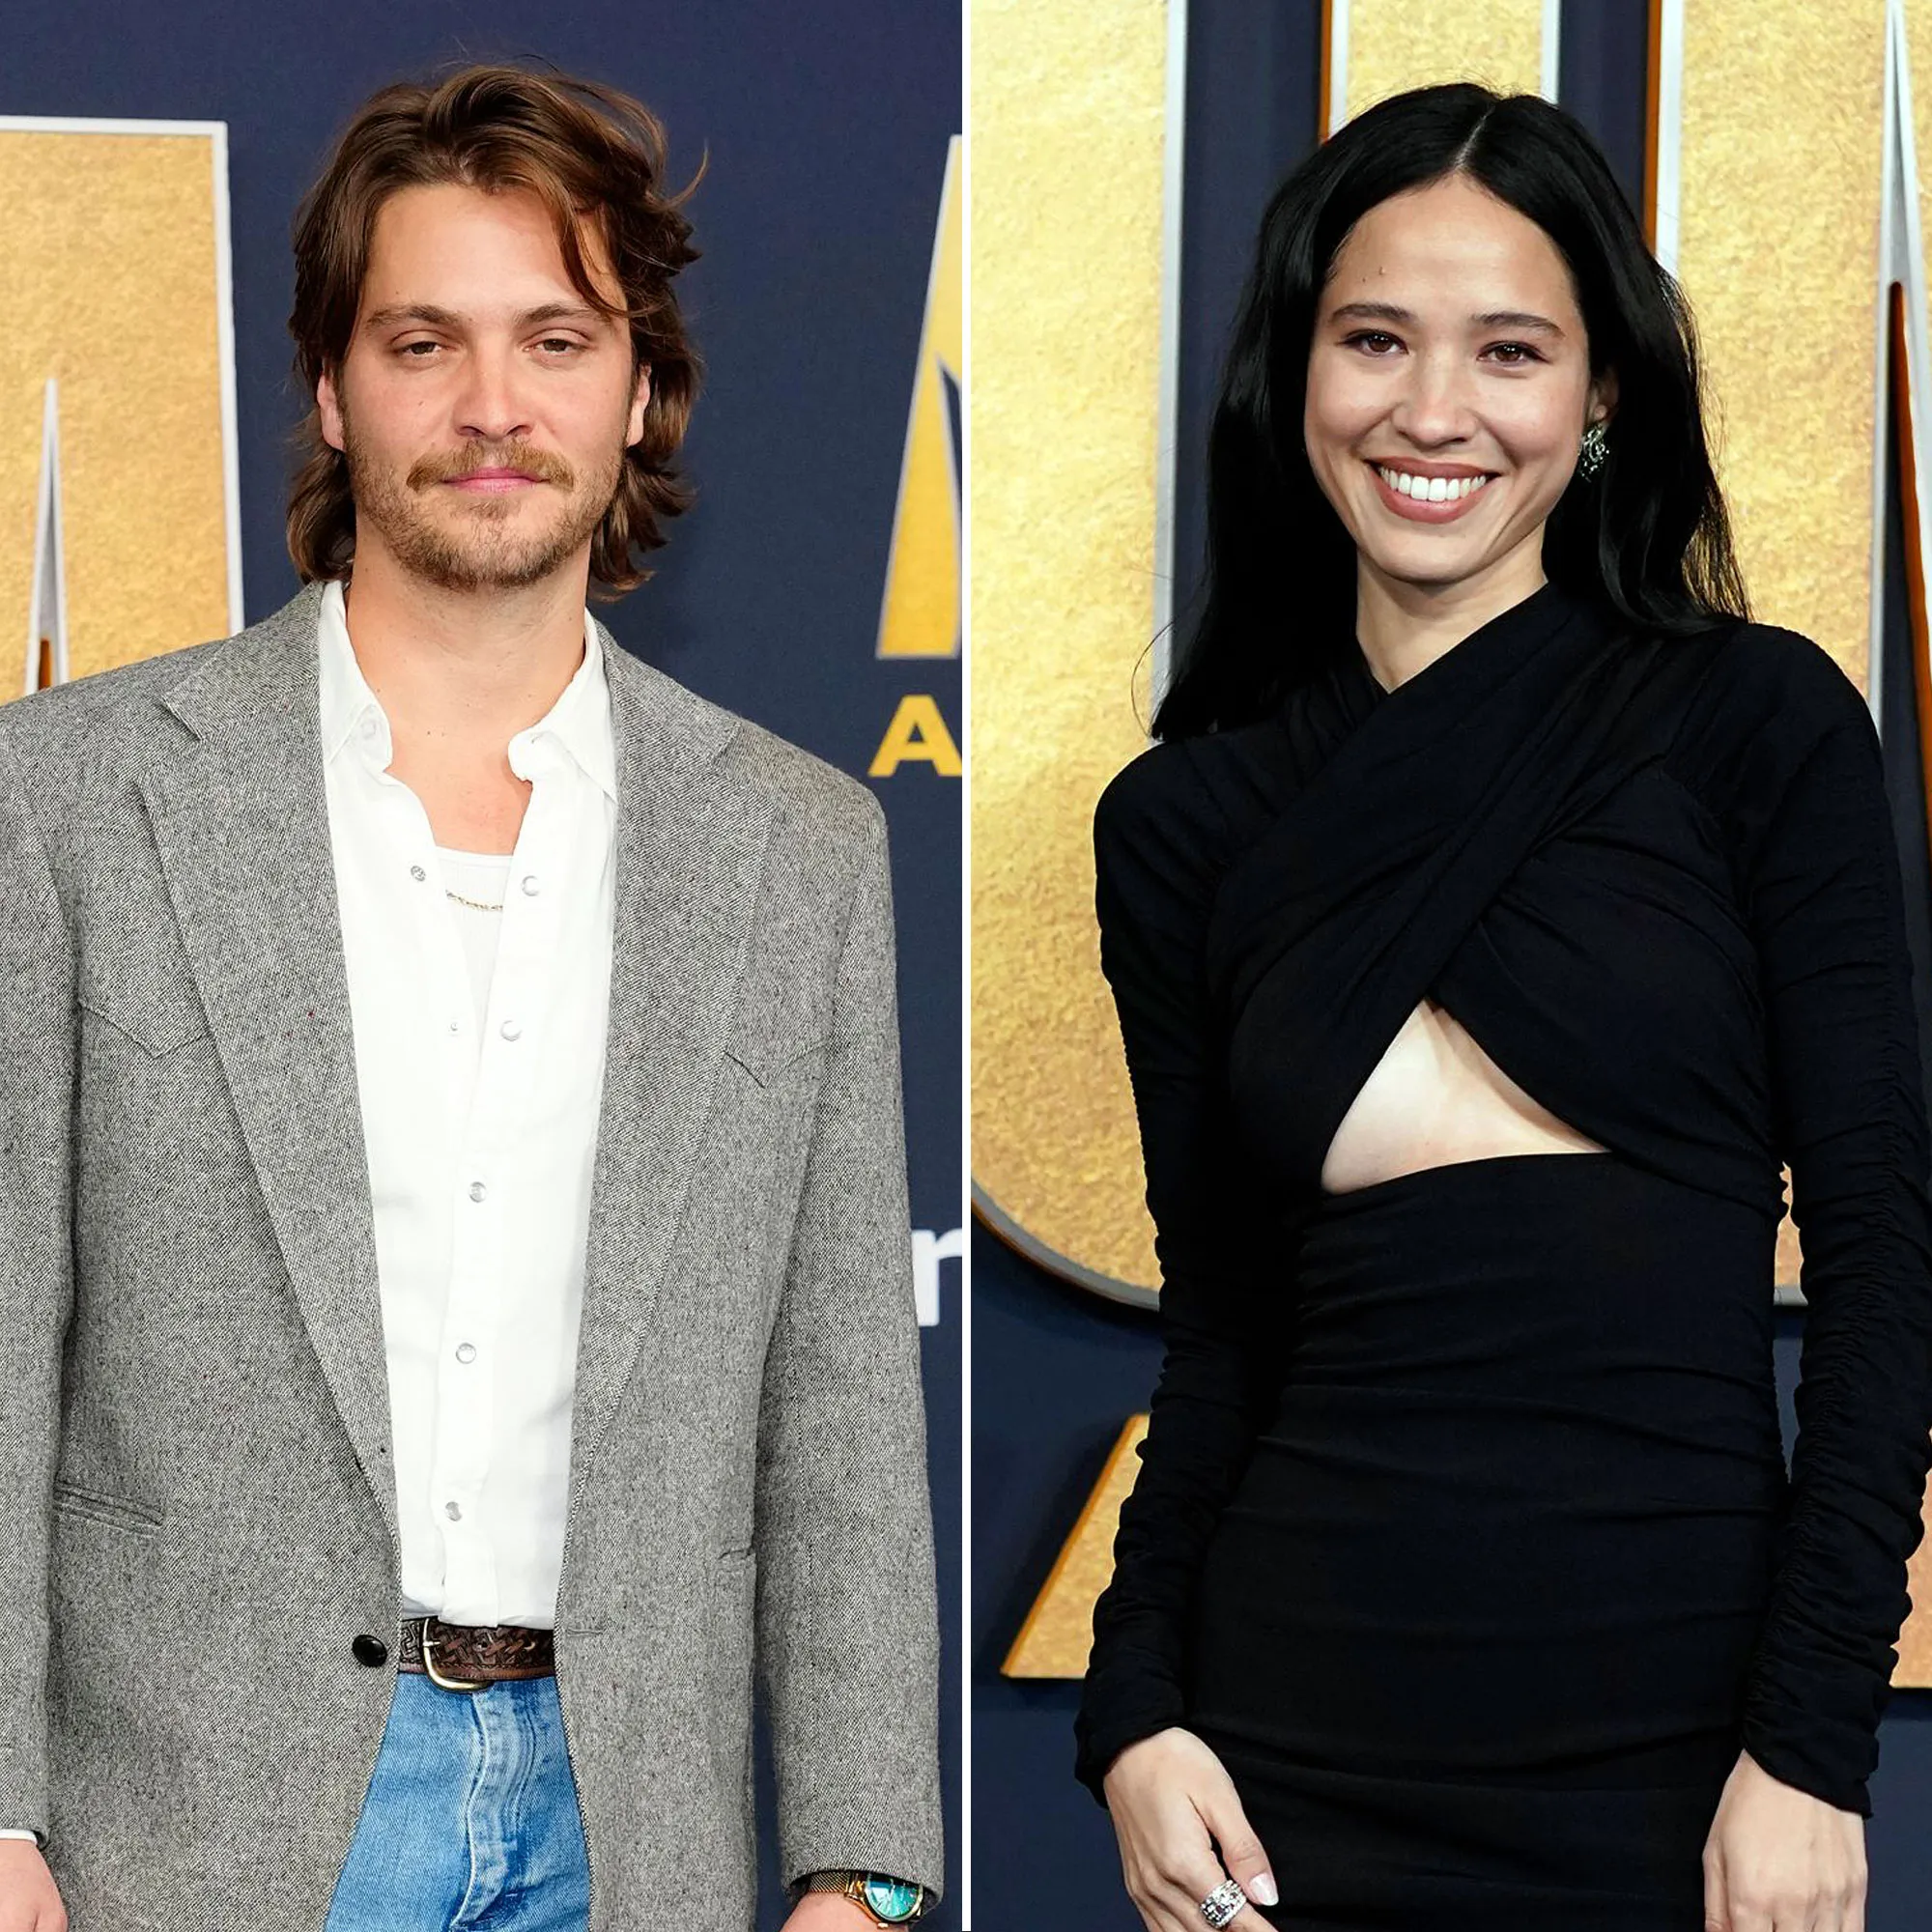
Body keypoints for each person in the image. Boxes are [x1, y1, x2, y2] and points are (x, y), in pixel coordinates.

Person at [0, 62, 941, 1932]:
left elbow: (839, 1392)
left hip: (632, 1835)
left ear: (641, 390)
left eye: (556, 340)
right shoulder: (71, 799)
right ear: (331, 389)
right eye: (424, 341)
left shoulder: (796, 846)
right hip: (180, 1828)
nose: (493, 406)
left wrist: (868, 1864)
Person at [1074, 80, 1932, 1932]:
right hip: (1288, 1760)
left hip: (1686, 1756)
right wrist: (1133, 1716)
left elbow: (1887, 1265)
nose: (1433, 410)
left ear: (1603, 392)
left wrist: (1809, 1746)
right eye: (1375, 339)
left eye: (1511, 351)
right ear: (1296, 373)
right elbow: (1222, 1338)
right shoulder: (1188, 824)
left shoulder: (1756, 725)